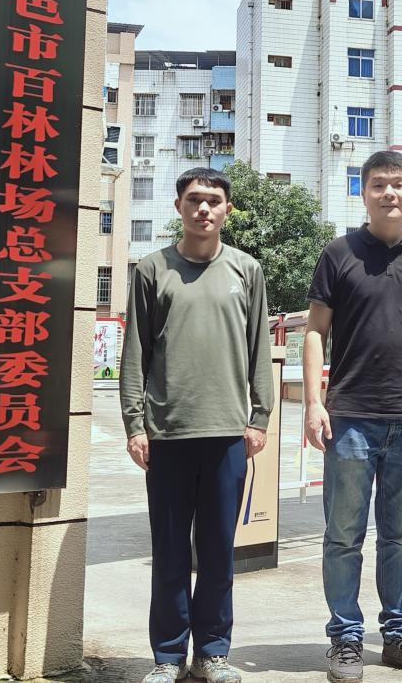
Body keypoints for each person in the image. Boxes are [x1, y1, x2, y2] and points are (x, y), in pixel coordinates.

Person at [303, 150, 402, 683]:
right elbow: (315, 331)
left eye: (398, 184)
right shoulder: (338, 254)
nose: (389, 192)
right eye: (378, 184)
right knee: (343, 536)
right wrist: (315, 402)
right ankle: (346, 640)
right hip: (351, 417)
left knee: (400, 537)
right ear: (363, 193)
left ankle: (399, 636)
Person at [120, 167, 275, 683]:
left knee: (216, 553)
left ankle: (212, 652)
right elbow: (135, 353)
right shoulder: (152, 269)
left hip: (228, 434)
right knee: (168, 552)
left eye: (213, 200)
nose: (203, 209)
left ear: (227, 209)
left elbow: (259, 347)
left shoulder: (246, 270)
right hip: (167, 434)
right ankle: (168, 657)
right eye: (193, 200)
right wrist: (135, 424)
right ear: (178, 207)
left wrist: (259, 417)